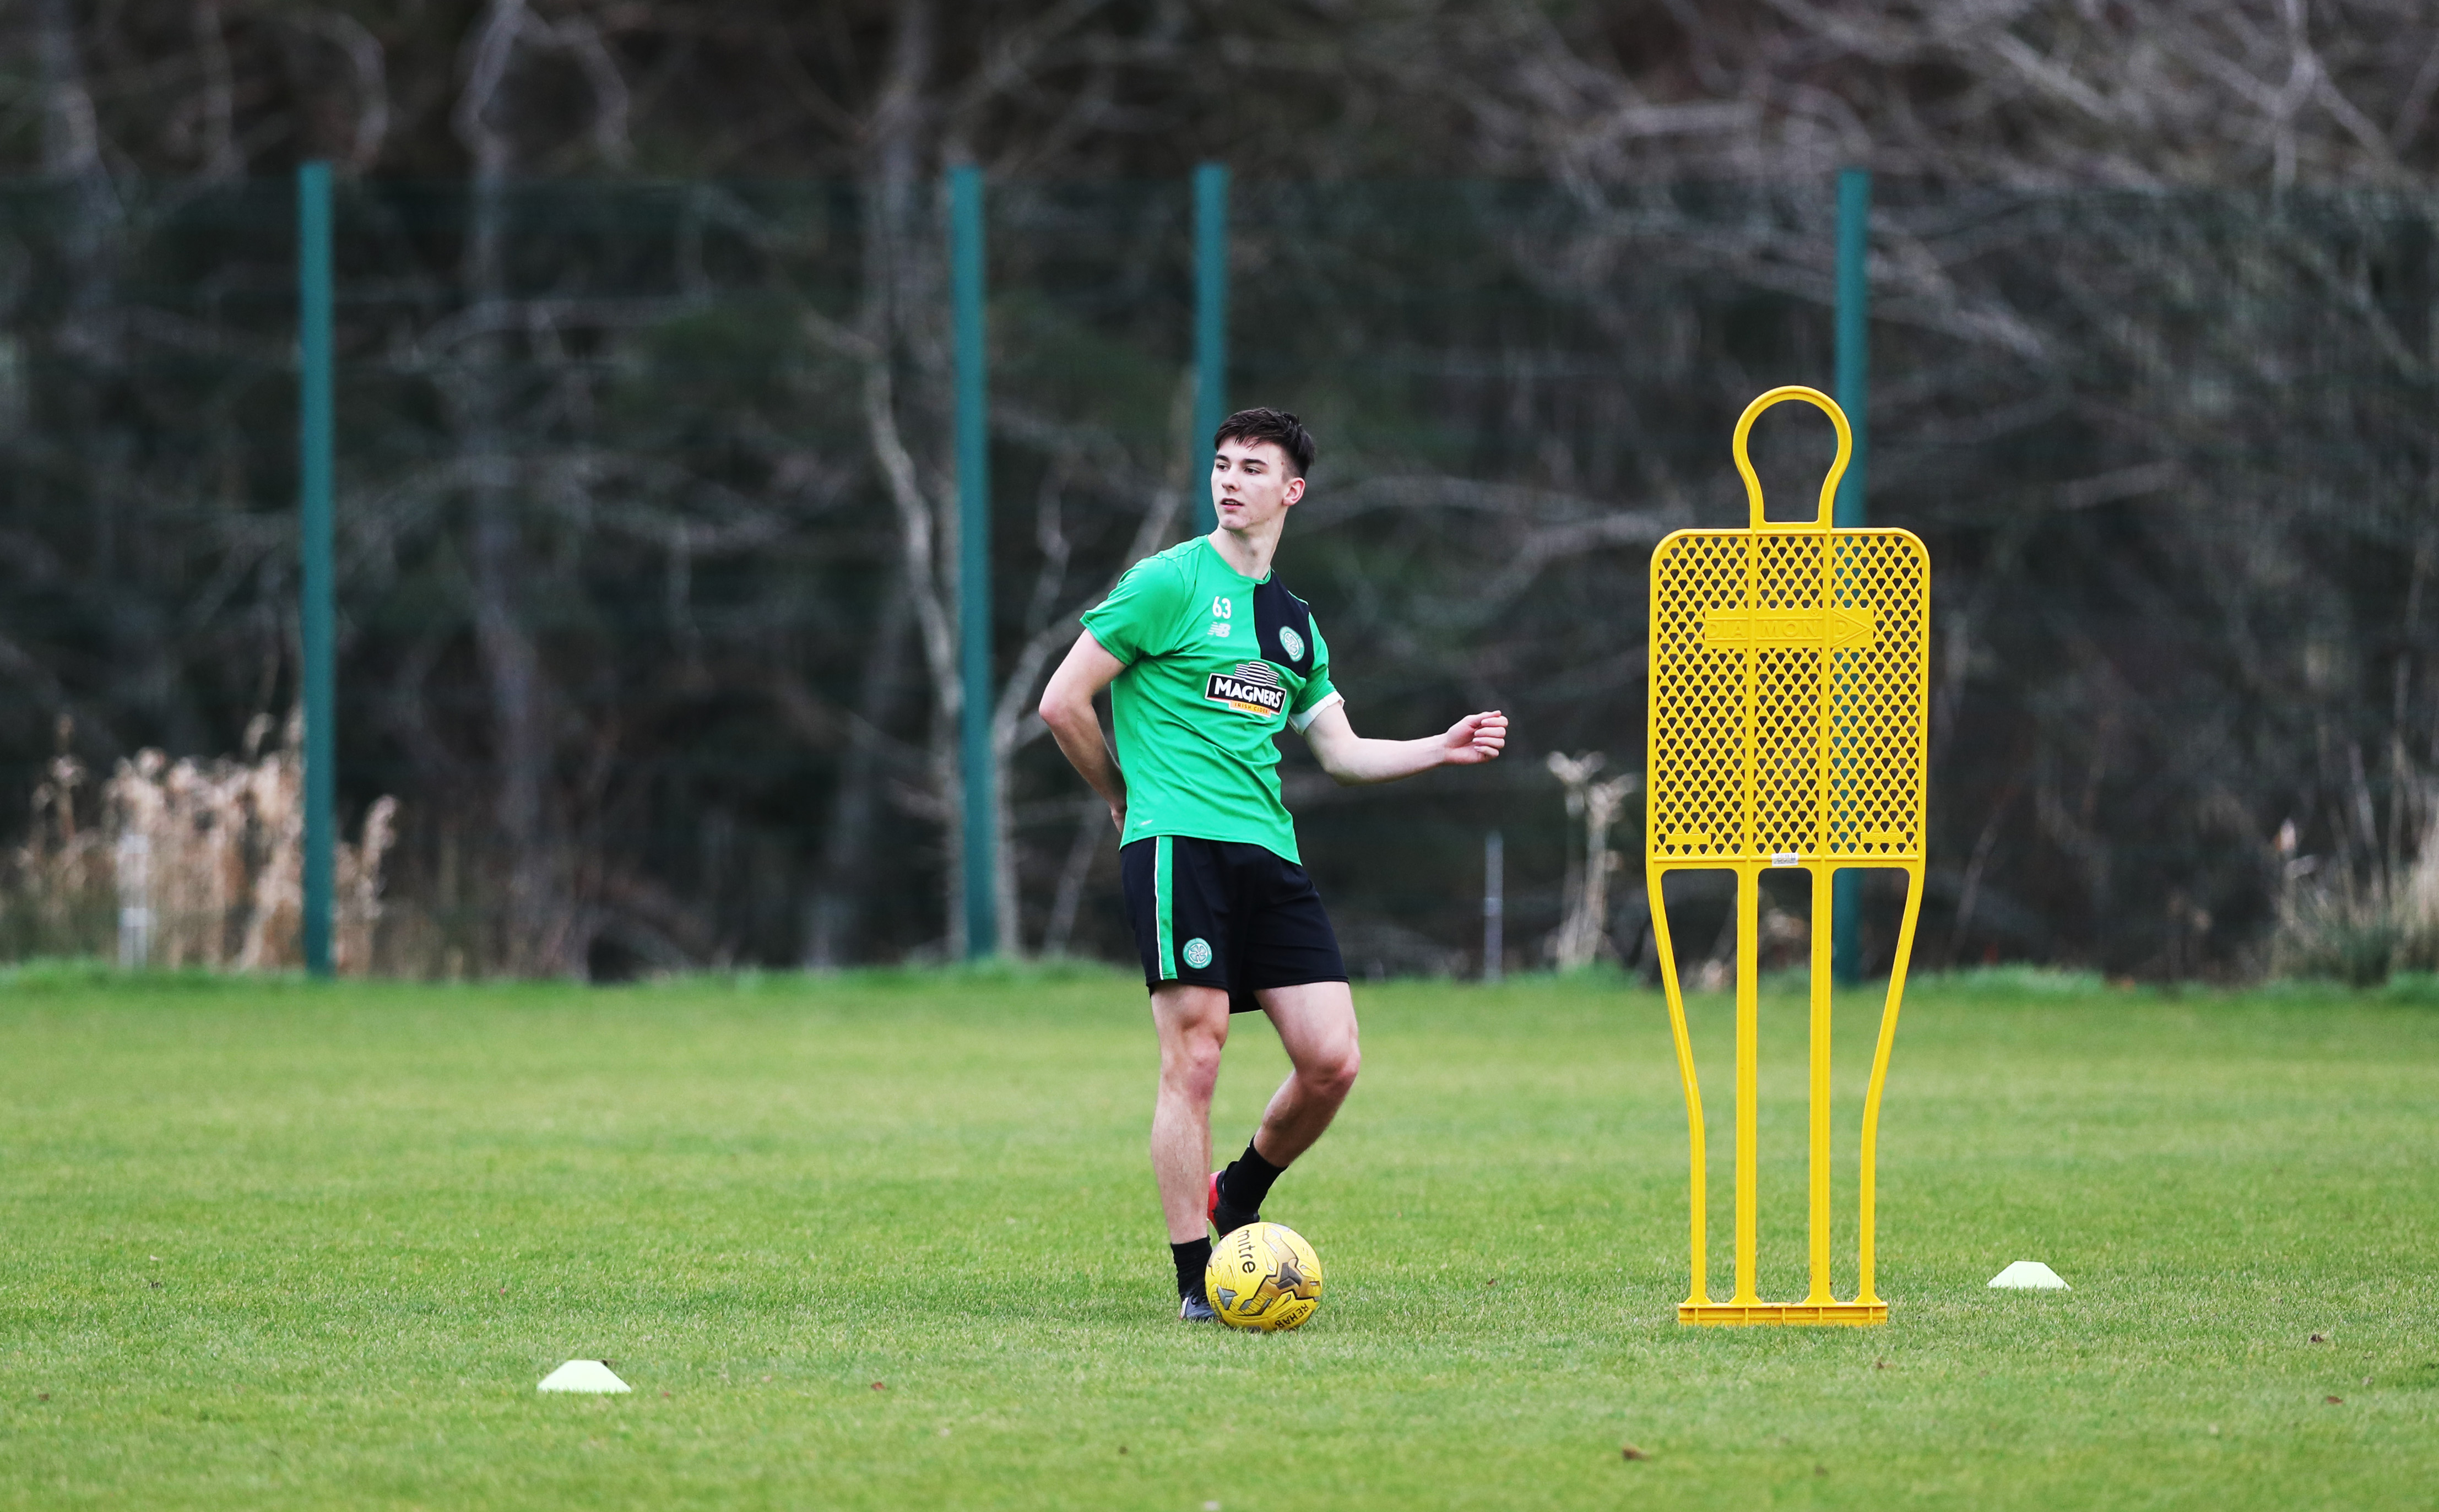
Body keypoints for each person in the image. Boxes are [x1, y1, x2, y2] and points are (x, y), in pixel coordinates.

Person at [1037, 407, 1509, 1320]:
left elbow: (1342, 751)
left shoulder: (1293, 626)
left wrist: (1439, 747)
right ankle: (1193, 1282)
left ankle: (1239, 1193)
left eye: (1253, 467)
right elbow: (1063, 703)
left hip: (1268, 856)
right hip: (1179, 846)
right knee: (1197, 1058)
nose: (1230, 479)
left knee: (1332, 1059)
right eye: (1221, 464)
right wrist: (1121, 794)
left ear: (1291, 491)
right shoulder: (1168, 581)